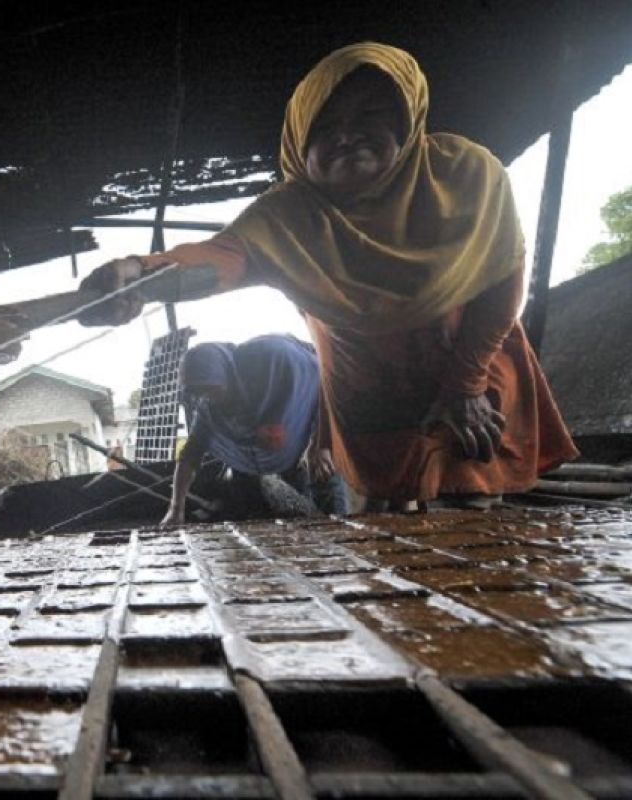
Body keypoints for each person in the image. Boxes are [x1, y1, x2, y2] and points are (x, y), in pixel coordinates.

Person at [80, 42, 577, 511]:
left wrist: (466, 384)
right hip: (370, 389)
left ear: (407, 118)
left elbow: (501, 278)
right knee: (387, 541)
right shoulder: (289, 216)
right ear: (299, 143)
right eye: (324, 126)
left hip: (470, 365)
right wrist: (140, 276)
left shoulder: (465, 174)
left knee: (470, 518)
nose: (345, 134)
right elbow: (223, 257)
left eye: (369, 116)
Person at [161, 337, 347, 525]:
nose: (209, 397)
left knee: (325, 478)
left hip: (314, 421)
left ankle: (342, 538)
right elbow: (190, 455)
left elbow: (325, 380)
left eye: (211, 389)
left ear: (224, 371)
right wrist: (176, 508)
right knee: (297, 515)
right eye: (201, 392)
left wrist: (321, 442)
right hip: (278, 451)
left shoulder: (272, 358)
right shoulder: (208, 409)